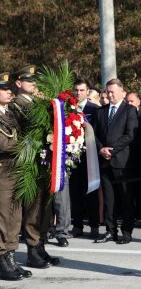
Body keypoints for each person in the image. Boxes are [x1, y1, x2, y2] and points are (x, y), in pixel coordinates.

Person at [9, 66, 59, 268]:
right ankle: (32, 249)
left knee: (45, 208)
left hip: (43, 161)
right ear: (19, 83)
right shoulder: (16, 105)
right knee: (33, 208)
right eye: (29, 80)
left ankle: (40, 246)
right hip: (29, 162)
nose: (34, 83)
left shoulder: (38, 102)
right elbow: (24, 131)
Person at [93, 78, 138, 244]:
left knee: (126, 198)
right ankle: (110, 230)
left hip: (122, 162)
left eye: (113, 92)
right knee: (109, 199)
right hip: (104, 161)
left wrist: (112, 149)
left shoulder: (129, 110)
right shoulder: (100, 111)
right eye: (108, 92)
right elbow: (93, 135)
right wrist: (100, 148)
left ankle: (126, 231)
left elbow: (130, 135)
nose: (110, 95)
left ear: (122, 92)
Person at [0, 72, 32, 280]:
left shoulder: (9, 113)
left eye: (9, 89)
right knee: (3, 216)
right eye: (4, 89)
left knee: (15, 214)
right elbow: (3, 144)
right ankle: (2, 258)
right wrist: (26, 146)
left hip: (14, 169)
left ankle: (10, 255)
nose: (9, 92)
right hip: (2, 169)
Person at [69, 77, 100, 238]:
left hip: (91, 155)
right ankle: (77, 225)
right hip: (73, 156)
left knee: (92, 191)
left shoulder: (94, 109)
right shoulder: (68, 108)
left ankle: (94, 226)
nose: (79, 93)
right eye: (77, 90)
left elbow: (99, 132)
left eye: (82, 90)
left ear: (88, 91)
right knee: (75, 192)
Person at [126, 91, 141, 229]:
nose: (129, 104)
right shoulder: (125, 115)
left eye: (132, 101)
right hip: (129, 157)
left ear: (139, 102)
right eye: (127, 101)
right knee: (131, 190)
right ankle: (133, 215)